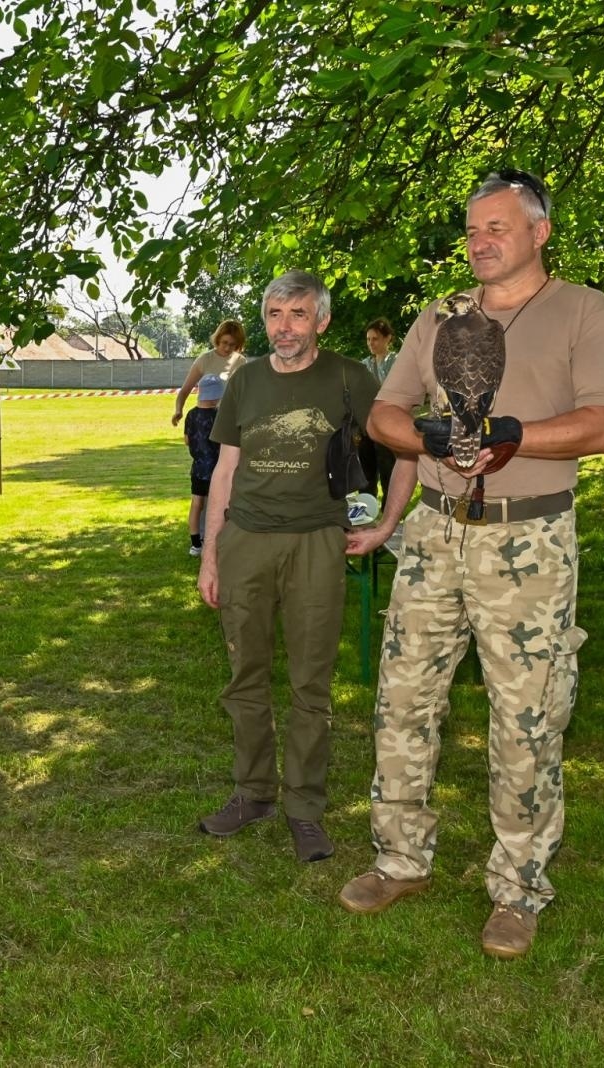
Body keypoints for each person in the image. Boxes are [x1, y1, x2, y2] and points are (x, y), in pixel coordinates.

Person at [338, 169, 604, 960]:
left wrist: (509, 437)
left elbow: (601, 426)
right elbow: (384, 413)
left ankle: (519, 889)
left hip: (527, 540)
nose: (480, 242)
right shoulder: (440, 317)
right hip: (434, 533)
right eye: (471, 231)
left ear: (540, 231)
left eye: (497, 227)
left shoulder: (583, 310)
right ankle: (400, 858)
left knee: (526, 718)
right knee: (403, 699)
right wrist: (429, 437)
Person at [196, 271, 414, 864]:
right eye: (273, 314)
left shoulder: (350, 378)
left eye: (296, 315)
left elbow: (403, 449)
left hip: (319, 543)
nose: (283, 327)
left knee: (310, 685)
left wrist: (387, 524)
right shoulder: (246, 380)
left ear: (321, 321)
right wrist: (211, 554)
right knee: (246, 679)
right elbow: (224, 470)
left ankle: (305, 809)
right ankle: (253, 793)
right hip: (246, 542)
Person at [172, 320, 247, 556]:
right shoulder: (204, 360)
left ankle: (226, 535)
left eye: (233, 345)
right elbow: (184, 390)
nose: (227, 348)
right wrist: (178, 409)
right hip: (205, 426)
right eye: (224, 343)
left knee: (227, 484)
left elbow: (244, 396)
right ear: (217, 339)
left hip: (228, 426)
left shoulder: (240, 362)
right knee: (205, 489)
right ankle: (201, 538)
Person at [361, 320, 399, 502]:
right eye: (368, 339)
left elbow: (394, 391)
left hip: (388, 423)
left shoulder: (396, 362)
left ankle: (388, 510)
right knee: (366, 469)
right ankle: (365, 511)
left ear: (387, 338)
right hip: (366, 423)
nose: (371, 343)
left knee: (387, 467)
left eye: (375, 339)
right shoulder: (364, 364)